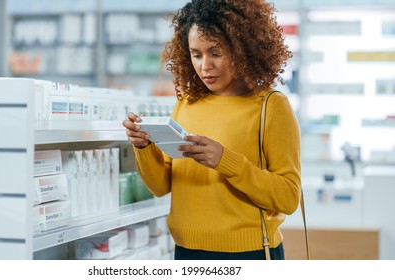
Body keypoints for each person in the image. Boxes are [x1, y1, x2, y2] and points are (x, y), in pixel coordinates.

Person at [122, 0, 300, 260]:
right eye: (196, 54)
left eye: (216, 52)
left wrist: (226, 161)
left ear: (242, 49)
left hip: (248, 253)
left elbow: (289, 197)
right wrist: (144, 147)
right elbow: (161, 187)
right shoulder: (186, 103)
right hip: (185, 252)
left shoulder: (270, 106)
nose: (205, 66)